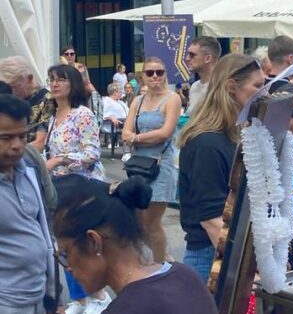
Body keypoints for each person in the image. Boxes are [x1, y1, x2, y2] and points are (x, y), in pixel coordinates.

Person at [53, 175, 217, 314]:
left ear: (94, 242)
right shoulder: (185, 275)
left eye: (65, 254)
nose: (68, 268)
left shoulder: (125, 309)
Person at [177, 54, 265, 281]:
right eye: (258, 86)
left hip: (230, 248)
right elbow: (211, 219)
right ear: (231, 87)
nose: (264, 94)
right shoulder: (207, 143)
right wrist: (249, 271)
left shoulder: (232, 134)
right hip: (213, 256)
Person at [44, 64, 109, 313]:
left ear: (73, 84)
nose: (55, 84)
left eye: (61, 79)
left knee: (80, 244)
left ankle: (99, 295)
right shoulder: (52, 118)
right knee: (63, 245)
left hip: (82, 186)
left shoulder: (82, 114)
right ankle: (80, 298)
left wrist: (61, 159)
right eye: (52, 80)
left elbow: (93, 152)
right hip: (59, 187)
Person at [120, 57, 182, 263]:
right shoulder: (137, 101)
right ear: (142, 76)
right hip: (139, 166)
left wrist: (137, 138)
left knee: (152, 220)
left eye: (159, 71)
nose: (155, 76)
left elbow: (165, 133)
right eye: (150, 72)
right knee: (138, 219)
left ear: (165, 74)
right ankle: (161, 257)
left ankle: (160, 265)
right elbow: (125, 131)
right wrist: (141, 137)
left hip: (159, 164)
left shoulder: (172, 99)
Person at [0, 94, 56, 314]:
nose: (17, 145)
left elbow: (44, 228)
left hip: (38, 297)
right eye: (6, 137)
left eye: (23, 136)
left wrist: (54, 292)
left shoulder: (28, 171)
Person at [0, 56, 54, 152]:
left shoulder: (48, 101)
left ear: (29, 79)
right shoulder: (7, 99)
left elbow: (40, 143)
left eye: (14, 87)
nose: (10, 92)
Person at [184, 36, 221, 115]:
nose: (187, 58)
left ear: (207, 58)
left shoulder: (223, 87)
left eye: (192, 55)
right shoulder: (194, 86)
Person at [101, 84, 129, 148]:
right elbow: (103, 113)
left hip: (125, 120)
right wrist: (111, 117)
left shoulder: (120, 102)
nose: (121, 94)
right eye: (120, 92)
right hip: (114, 123)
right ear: (115, 93)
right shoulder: (106, 101)